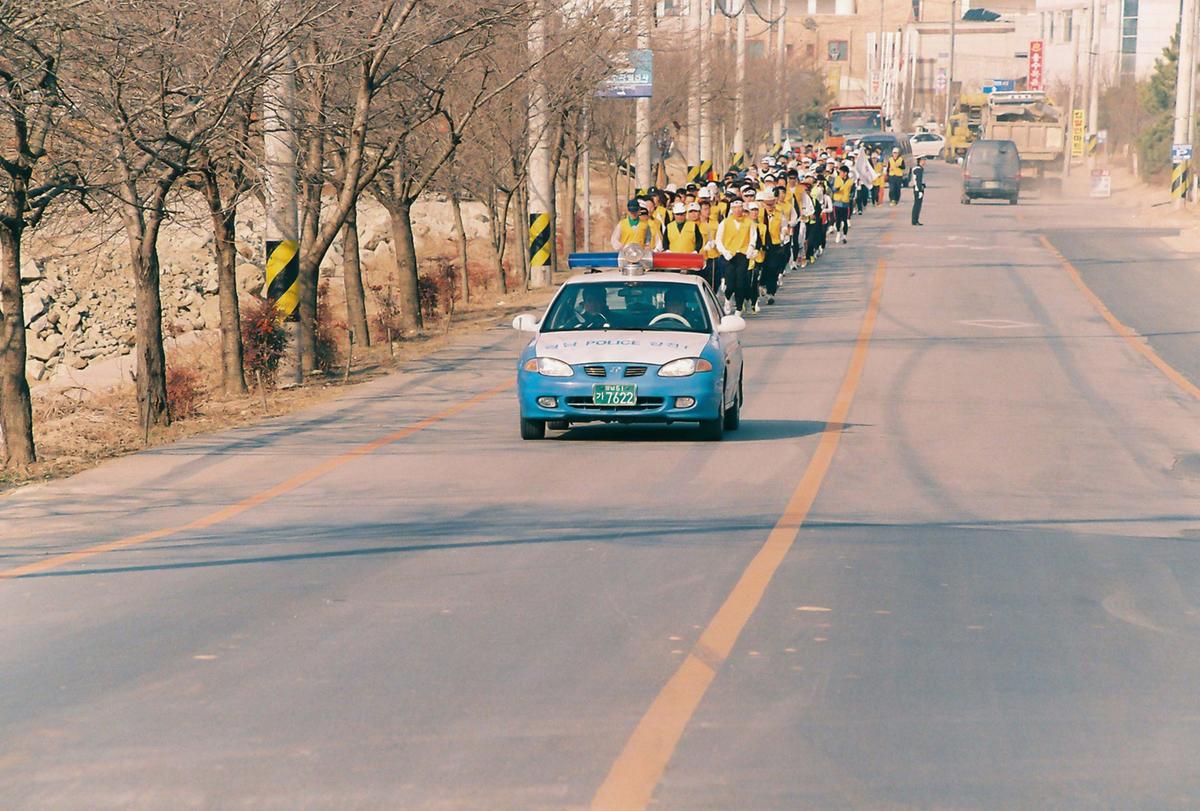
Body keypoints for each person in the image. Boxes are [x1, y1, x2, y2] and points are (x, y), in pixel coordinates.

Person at [716, 199, 757, 315]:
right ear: (731, 209)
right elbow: (718, 239)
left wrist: (750, 248)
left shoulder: (749, 222)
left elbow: (753, 237)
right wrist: (724, 252)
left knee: (741, 283)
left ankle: (739, 308)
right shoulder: (725, 222)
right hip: (729, 256)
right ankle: (728, 299)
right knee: (730, 284)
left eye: (740, 207)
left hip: (743, 255)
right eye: (735, 208)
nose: (738, 210)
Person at [832, 164, 853, 243]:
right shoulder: (836, 179)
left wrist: (851, 196)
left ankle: (844, 236)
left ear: (845, 173)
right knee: (837, 219)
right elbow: (833, 188)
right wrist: (836, 189)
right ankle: (838, 233)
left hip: (845, 203)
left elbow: (852, 190)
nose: (840, 173)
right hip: (837, 202)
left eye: (841, 172)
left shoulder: (850, 181)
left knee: (845, 220)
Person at [911, 156, 926, 226]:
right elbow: (918, 181)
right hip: (918, 189)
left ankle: (915, 220)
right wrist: (920, 190)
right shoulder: (919, 169)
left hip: (916, 188)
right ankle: (915, 220)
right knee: (917, 205)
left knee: (917, 205)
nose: (924, 162)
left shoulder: (917, 168)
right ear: (920, 161)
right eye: (923, 160)